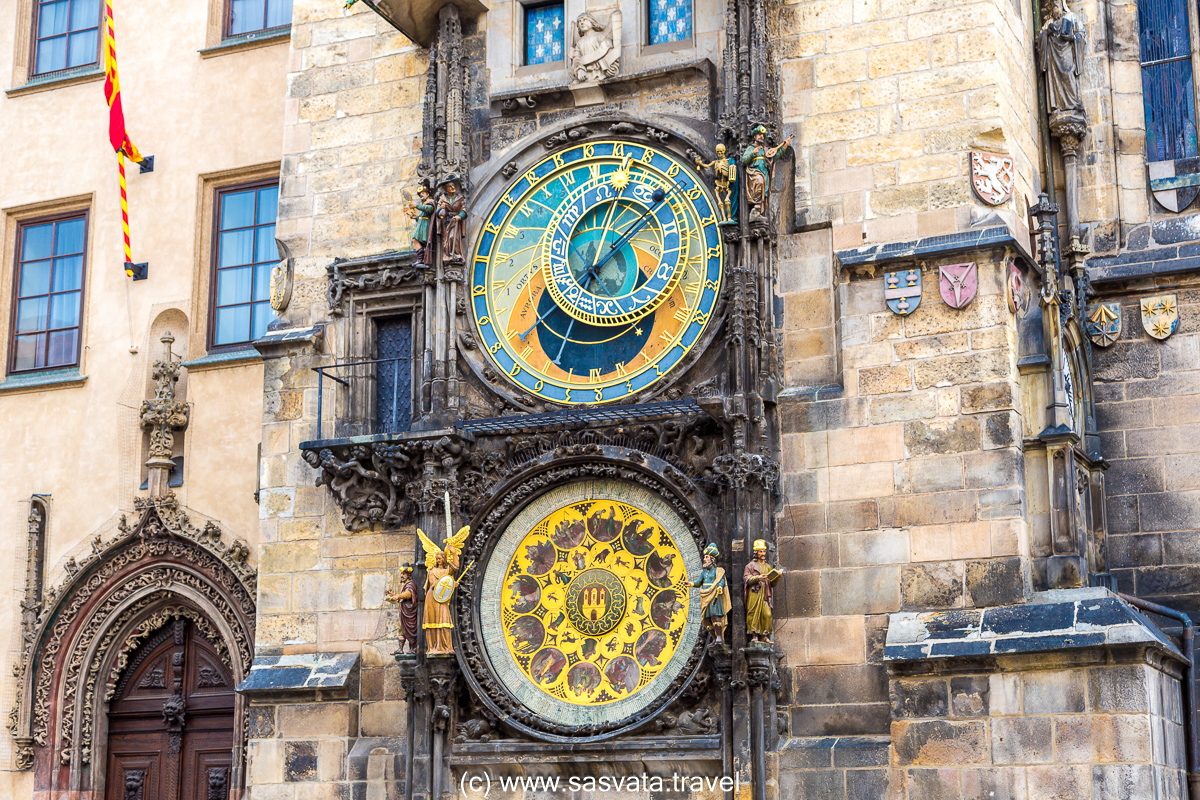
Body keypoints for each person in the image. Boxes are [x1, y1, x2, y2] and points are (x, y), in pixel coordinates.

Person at [417, 526, 471, 655]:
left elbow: (456, 567)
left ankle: (446, 646)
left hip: (442, 598)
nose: (438, 560)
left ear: (444, 559)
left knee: (445, 620)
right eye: (437, 558)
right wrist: (451, 584)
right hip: (433, 597)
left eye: (440, 558)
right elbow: (434, 584)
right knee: (433, 621)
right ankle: (433, 647)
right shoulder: (432, 571)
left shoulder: (447, 570)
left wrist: (452, 552)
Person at [741, 125, 792, 220]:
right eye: (759, 134)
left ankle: (758, 212)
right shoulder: (751, 148)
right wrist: (753, 153)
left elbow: (773, 158)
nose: (762, 137)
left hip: (765, 173)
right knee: (759, 183)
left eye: (763, 135)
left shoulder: (765, 150)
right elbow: (744, 160)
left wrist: (784, 147)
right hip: (755, 173)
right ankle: (754, 211)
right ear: (754, 136)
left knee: (764, 191)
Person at [689, 543, 731, 644]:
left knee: (715, 616)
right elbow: (699, 582)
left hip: (714, 596)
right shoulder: (704, 573)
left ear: (712, 559)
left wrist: (720, 587)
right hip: (705, 596)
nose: (704, 559)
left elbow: (720, 580)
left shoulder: (718, 571)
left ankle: (719, 637)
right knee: (707, 619)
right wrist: (691, 584)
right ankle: (713, 638)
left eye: (706, 557)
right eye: (705, 557)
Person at [743, 539, 782, 643]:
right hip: (754, 594)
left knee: (767, 614)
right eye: (760, 551)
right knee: (753, 613)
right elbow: (746, 579)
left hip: (765, 593)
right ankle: (754, 635)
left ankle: (765, 636)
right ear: (756, 553)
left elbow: (772, 584)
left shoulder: (768, 567)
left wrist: (777, 577)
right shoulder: (750, 566)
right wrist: (758, 578)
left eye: (764, 551)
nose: (763, 553)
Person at [694, 144, 738, 224]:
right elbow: (706, 166)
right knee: (720, 203)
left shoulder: (728, 161)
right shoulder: (716, 162)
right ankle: (724, 218)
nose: (719, 154)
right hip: (718, 183)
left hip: (726, 183)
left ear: (724, 151)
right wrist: (700, 163)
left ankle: (729, 217)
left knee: (727, 201)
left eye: (721, 152)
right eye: (718, 152)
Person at [384, 563, 418, 654]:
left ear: (408, 575)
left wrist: (398, 596)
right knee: (401, 629)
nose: (401, 576)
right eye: (401, 574)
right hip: (403, 611)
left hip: (409, 612)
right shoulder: (404, 584)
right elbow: (401, 596)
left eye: (403, 574)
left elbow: (408, 594)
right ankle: (400, 649)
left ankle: (414, 648)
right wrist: (391, 595)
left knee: (411, 629)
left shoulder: (411, 584)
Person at [436, 177, 467, 264]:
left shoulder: (459, 198)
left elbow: (463, 210)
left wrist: (459, 216)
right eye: (450, 187)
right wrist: (441, 208)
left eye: (453, 186)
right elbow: (437, 213)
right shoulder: (442, 199)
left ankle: (456, 254)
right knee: (447, 239)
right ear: (446, 189)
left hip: (455, 221)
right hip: (446, 222)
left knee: (454, 237)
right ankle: (448, 254)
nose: (453, 188)